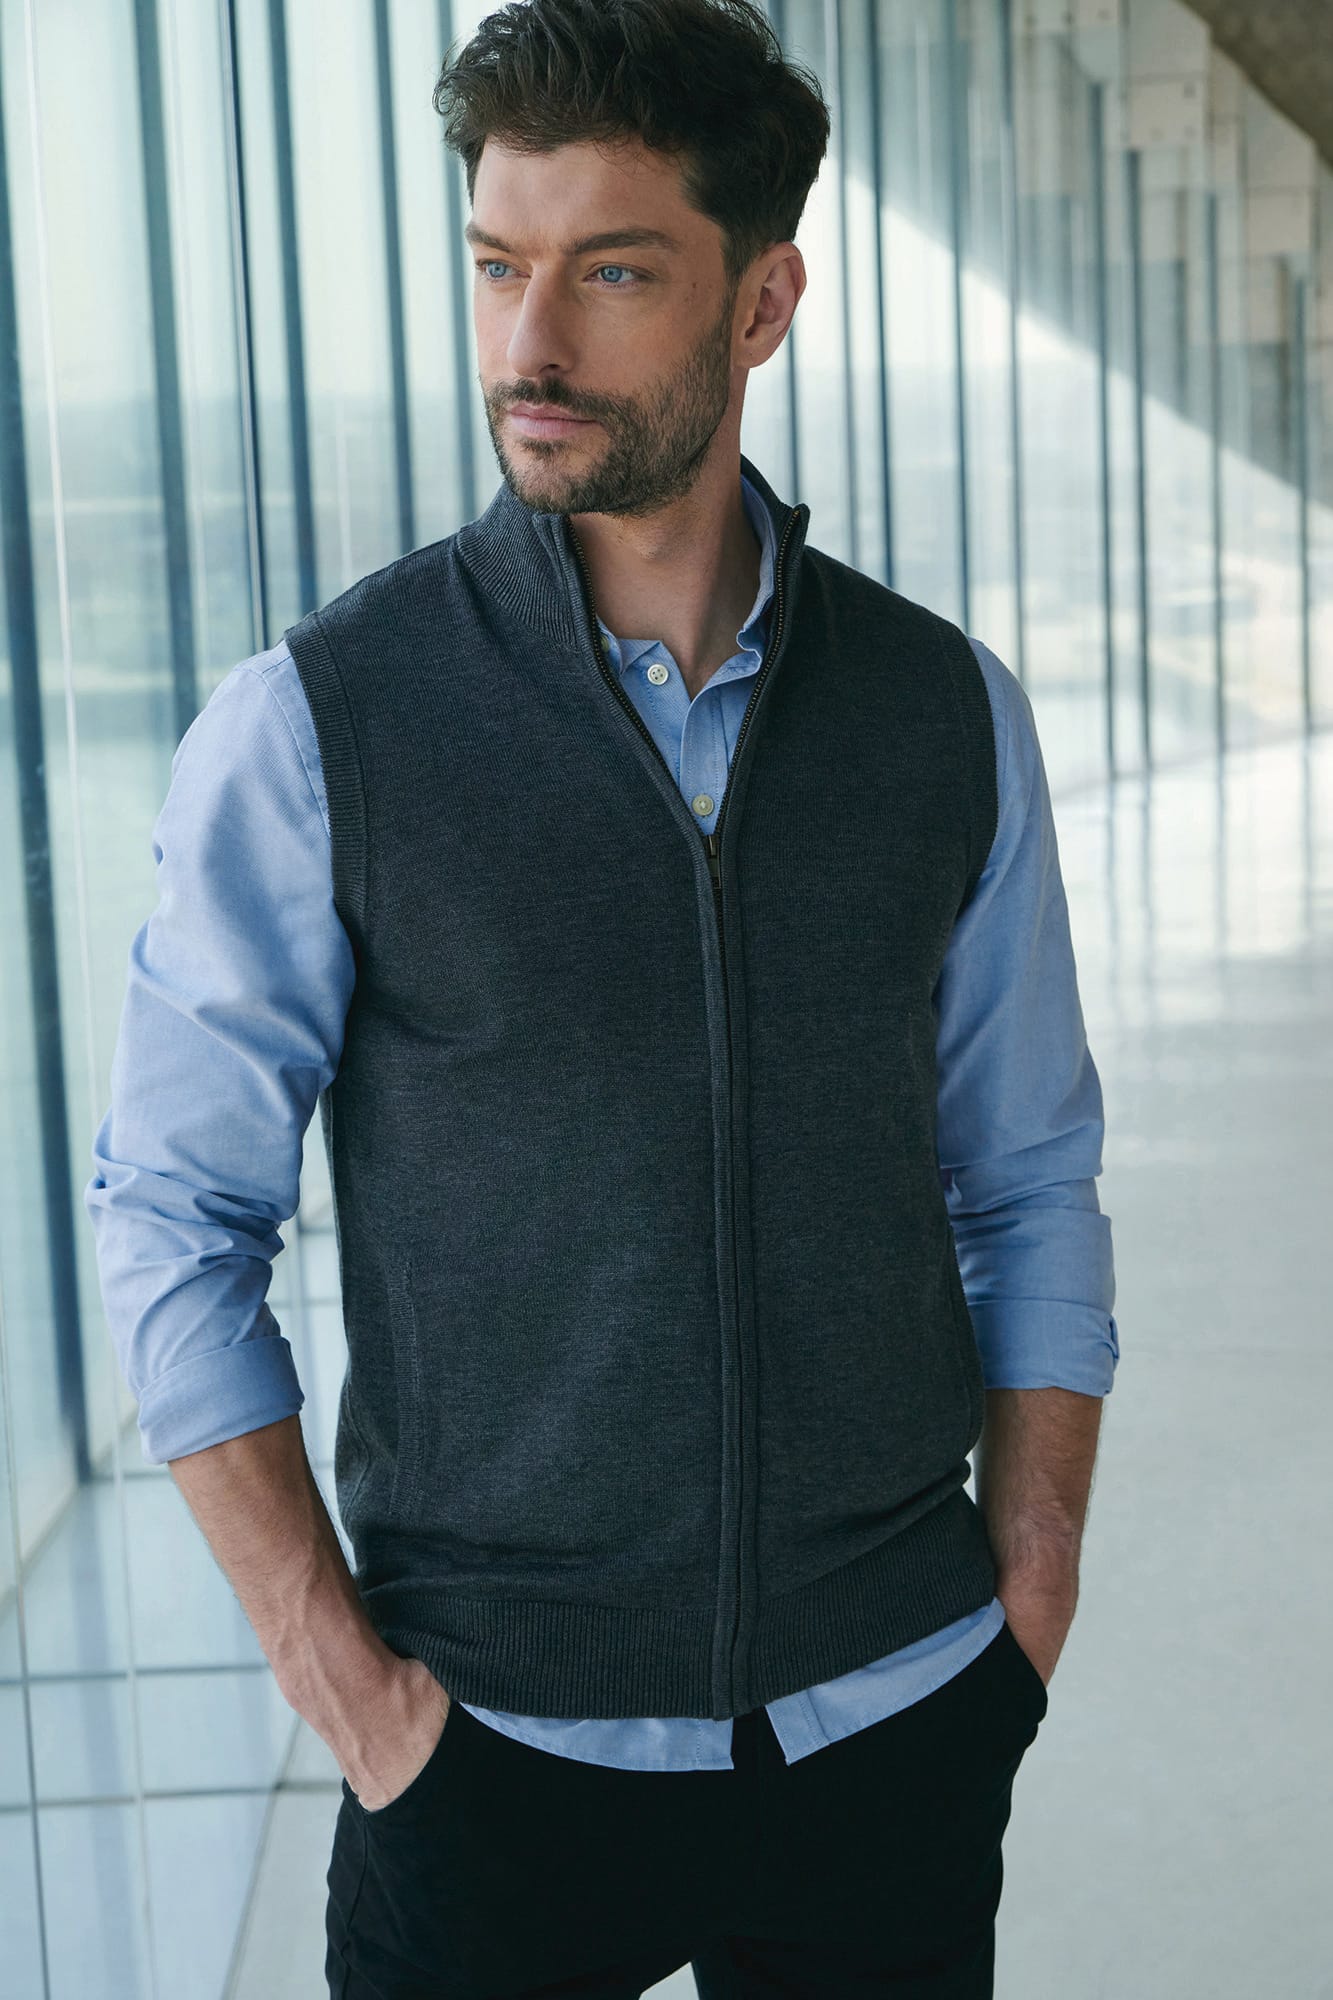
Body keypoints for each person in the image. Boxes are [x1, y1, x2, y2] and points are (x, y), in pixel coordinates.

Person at [85, 2, 1118, 1994]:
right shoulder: (323, 726)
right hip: (489, 1760)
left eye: (612, 274)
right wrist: (361, 1703)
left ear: (762, 302)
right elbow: (170, 1219)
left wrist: (1029, 1590)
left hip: (894, 1718)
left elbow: (1026, 1174)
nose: (528, 346)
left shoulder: (939, 713)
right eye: (498, 267)